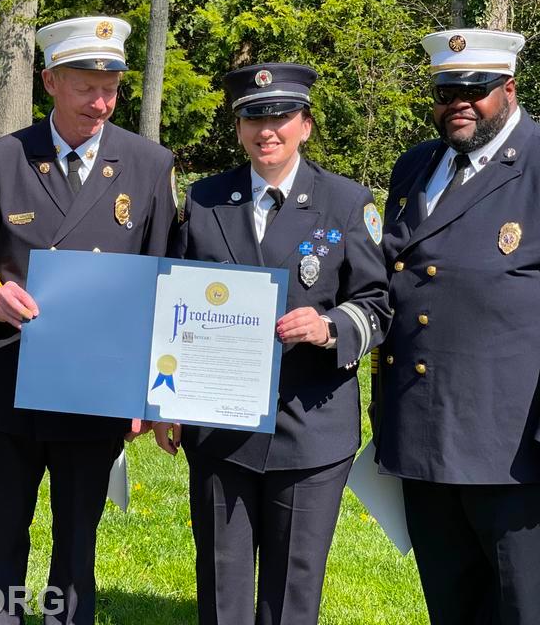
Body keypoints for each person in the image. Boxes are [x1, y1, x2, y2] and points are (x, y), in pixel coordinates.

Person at [0, 16, 178, 624]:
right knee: (0, 537)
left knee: (76, 544)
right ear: (50, 81)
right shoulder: (2, 160)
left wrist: (149, 390)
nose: (100, 103)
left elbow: (163, 284)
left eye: (111, 88)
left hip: (98, 390)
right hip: (12, 379)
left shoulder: (149, 165)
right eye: (85, 87)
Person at [154, 63, 390, 625]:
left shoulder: (346, 202)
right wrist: (162, 402)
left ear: (305, 125)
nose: (268, 130)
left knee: (291, 596)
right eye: (253, 117)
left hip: (309, 428)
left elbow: (379, 304)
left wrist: (329, 326)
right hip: (219, 430)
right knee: (221, 588)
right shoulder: (208, 201)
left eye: (281, 116)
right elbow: (173, 304)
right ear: (238, 128)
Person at [374, 29, 540, 624]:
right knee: (451, 603)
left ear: (509, 88)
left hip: (514, 443)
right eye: (447, 89)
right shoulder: (416, 166)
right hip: (422, 431)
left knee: (522, 606)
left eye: (477, 88)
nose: (459, 101)